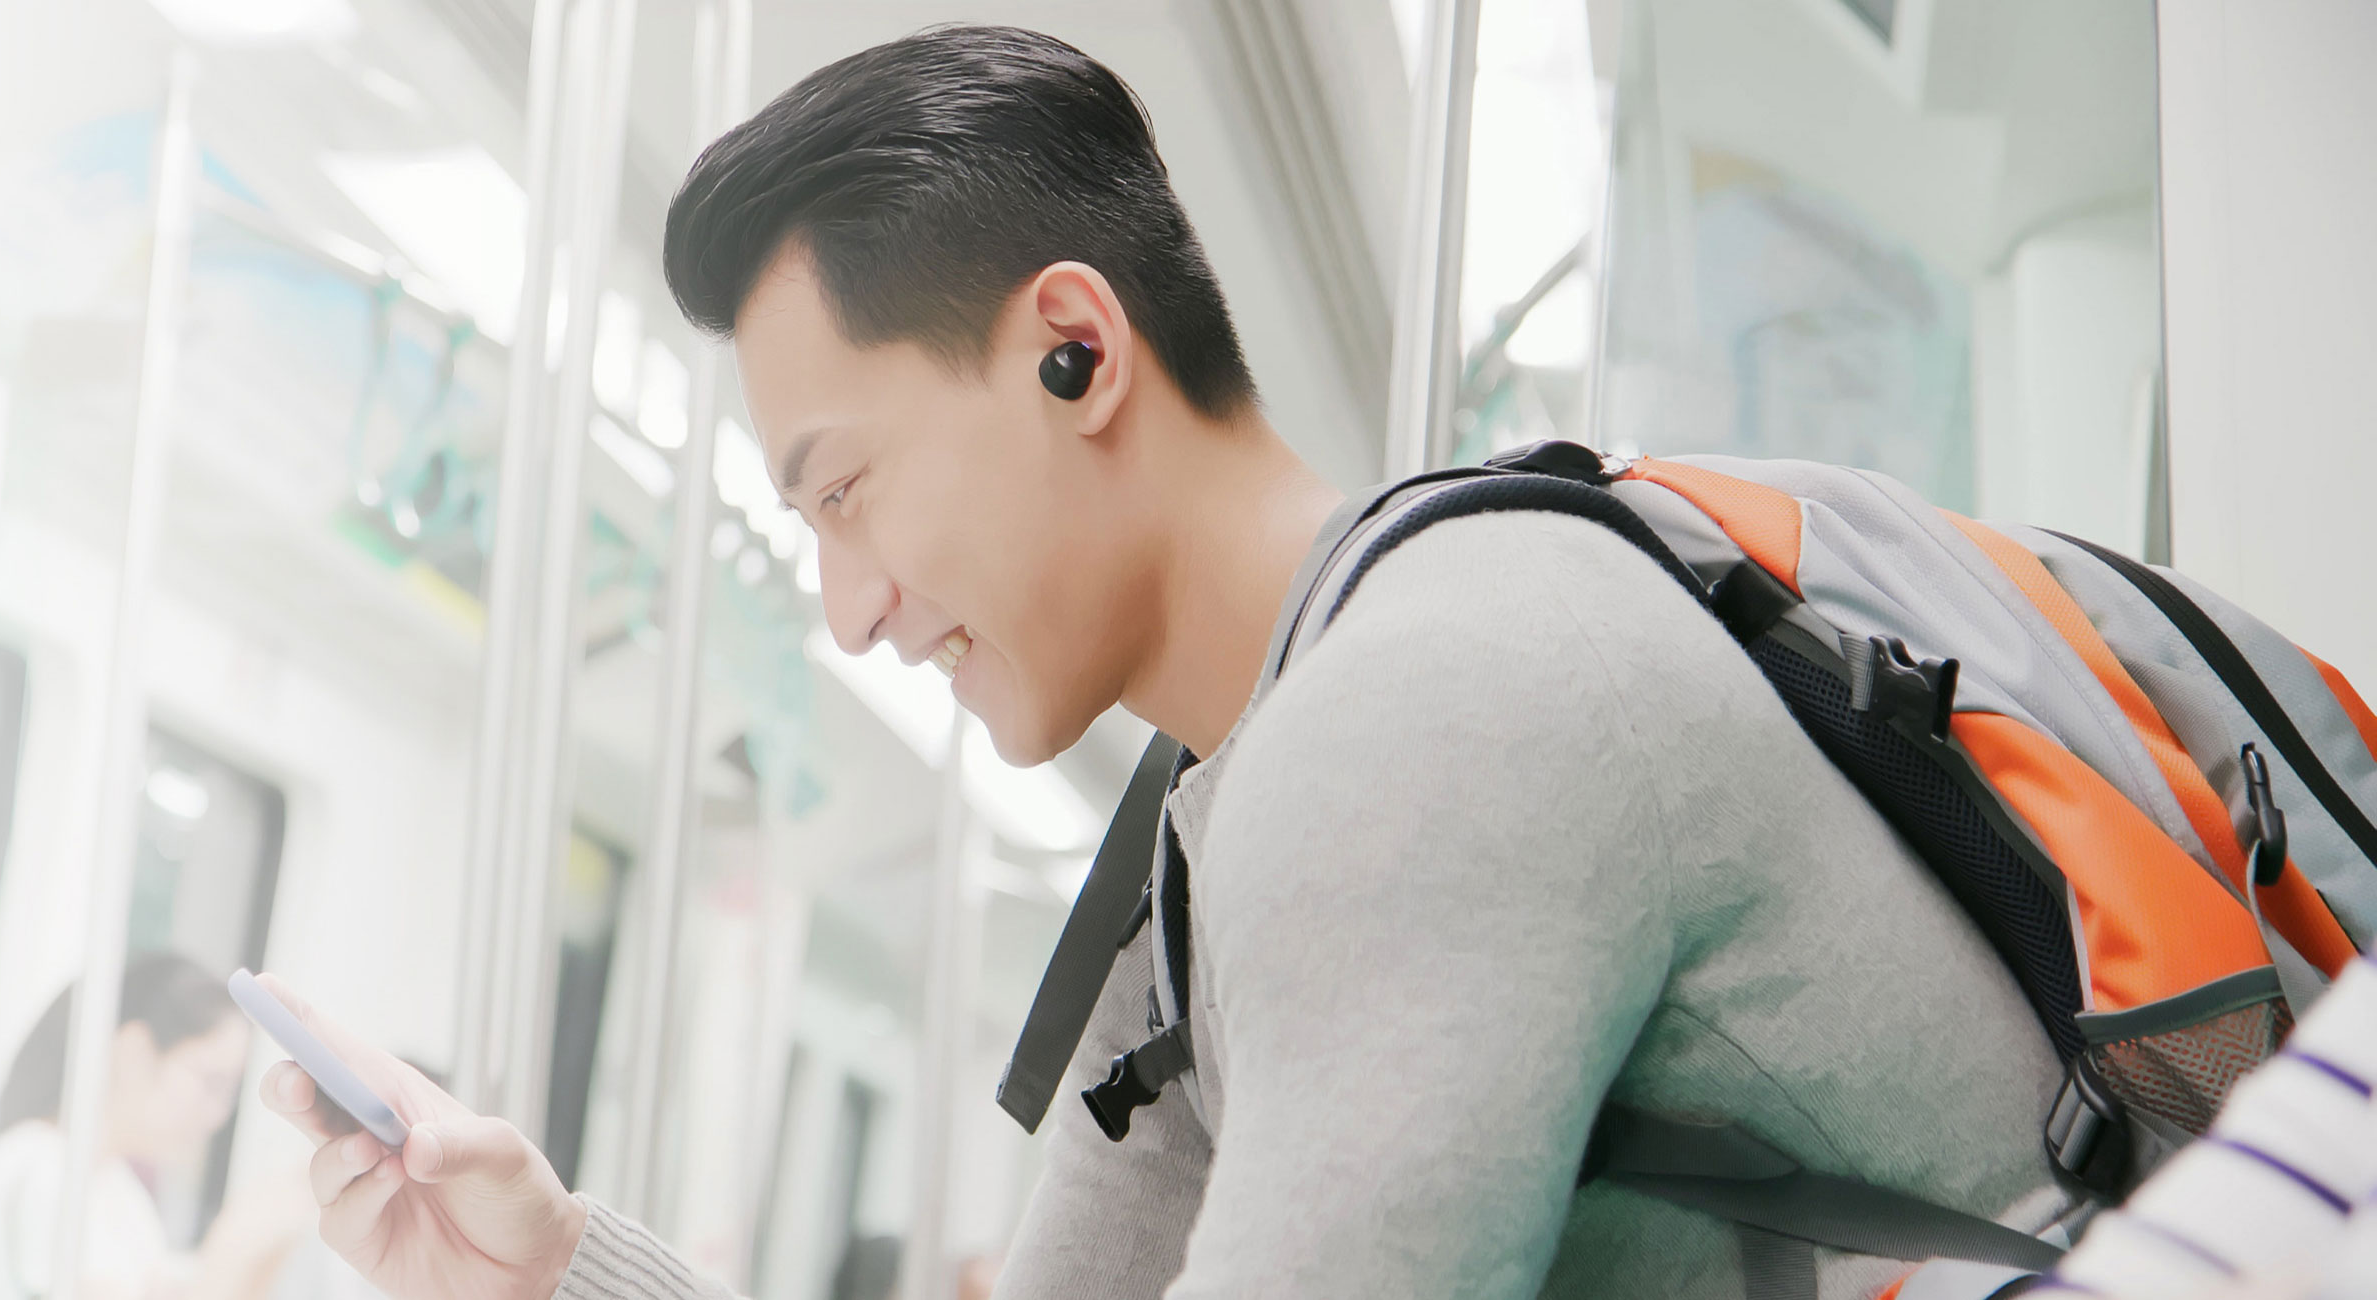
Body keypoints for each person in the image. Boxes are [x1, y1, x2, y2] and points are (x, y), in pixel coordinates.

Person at [261, 25, 2078, 1298]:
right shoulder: (1204, 870)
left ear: (1074, 349)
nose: (850, 608)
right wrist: (562, 1272)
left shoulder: (1435, 717)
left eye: (849, 494)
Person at [0, 951, 306, 1300]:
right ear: (134, 1051)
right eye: (210, 1082)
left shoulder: (124, 1196)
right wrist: (233, 1248)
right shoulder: (40, 1168)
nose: (218, 1114)